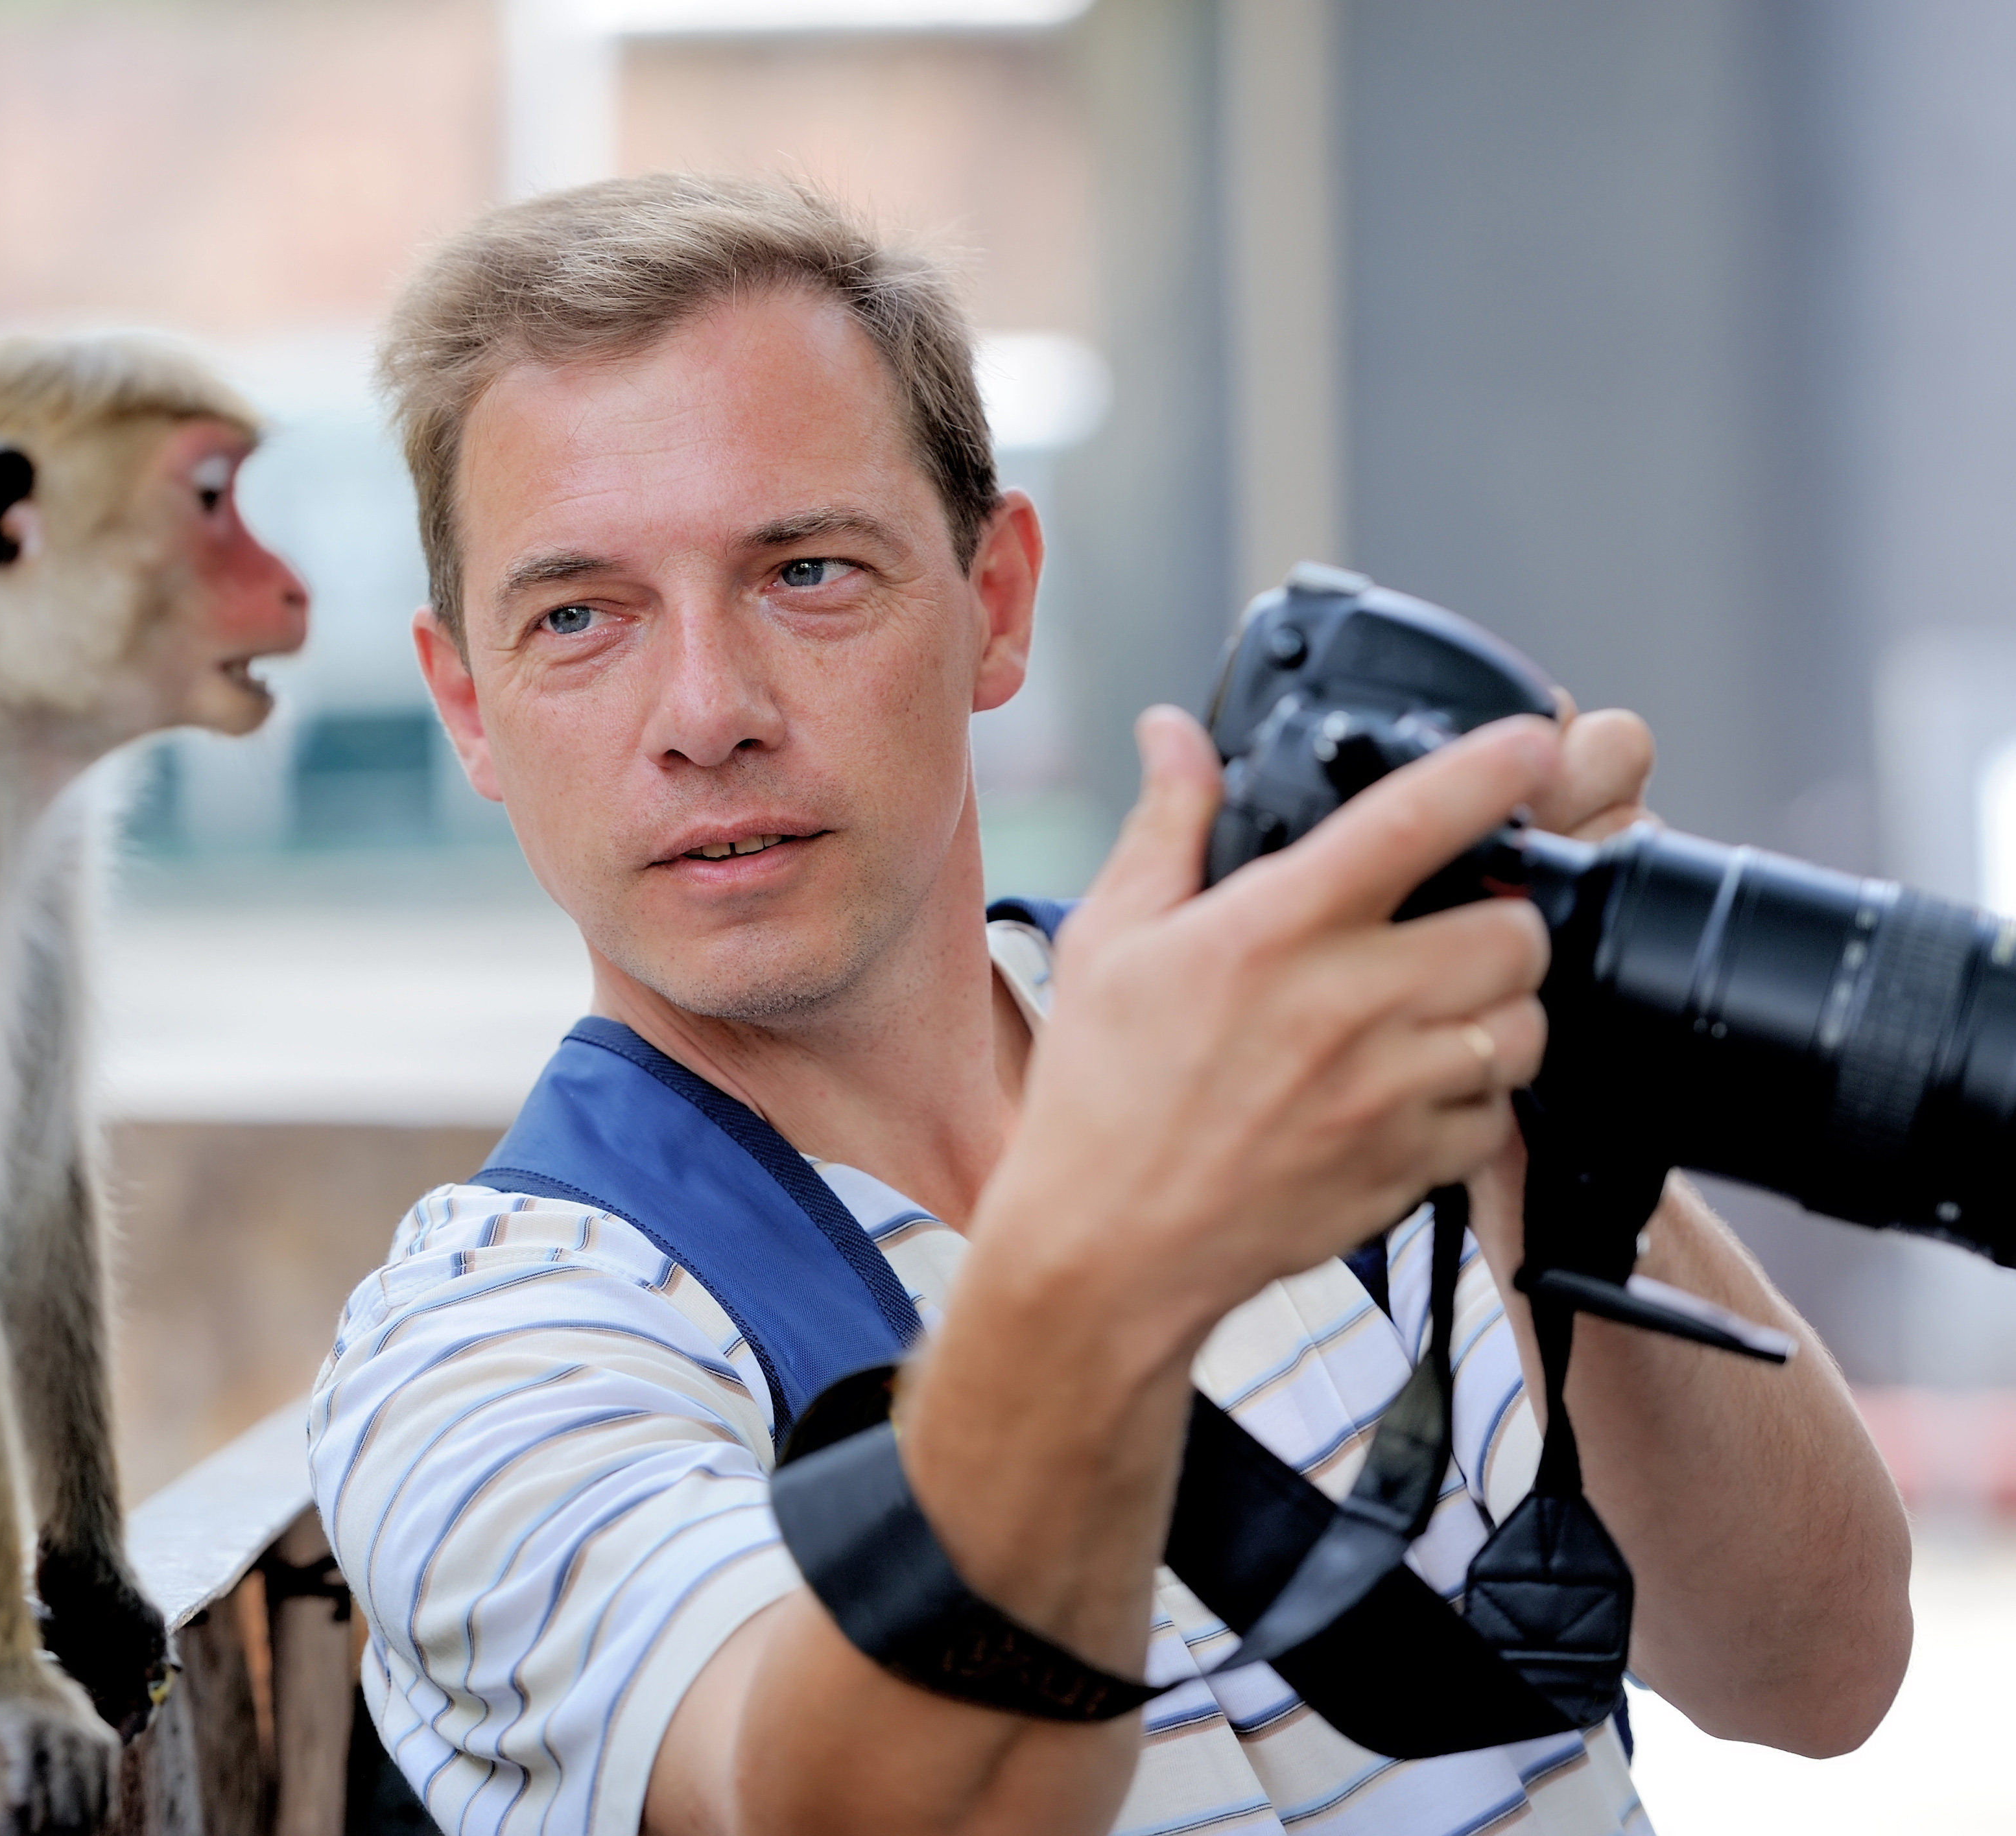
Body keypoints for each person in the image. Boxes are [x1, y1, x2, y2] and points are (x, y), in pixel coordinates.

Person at [307, 173, 1912, 1836]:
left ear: (996, 603)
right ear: (468, 705)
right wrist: (1133, 1249)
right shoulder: (494, 1338)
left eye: (804, 571)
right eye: (579, 616)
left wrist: (1531, 1081)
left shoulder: (1322, 1045)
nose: (707, 712)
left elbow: (1816, 1670)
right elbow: (838, 1810)